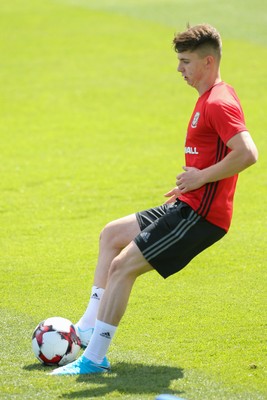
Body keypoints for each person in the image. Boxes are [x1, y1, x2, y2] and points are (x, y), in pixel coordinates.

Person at [51, 24, 258, 375]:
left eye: (185, 61)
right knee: (111, 235)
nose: (179, 69)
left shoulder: (219, 102)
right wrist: (190, 182)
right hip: (187, 203)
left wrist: (200, 178)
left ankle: (94, 359)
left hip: (202, 217)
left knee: (122, 267)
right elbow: (214, 155)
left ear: (208, 62)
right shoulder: (207, 98)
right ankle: (87, 328)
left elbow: (248, 153)